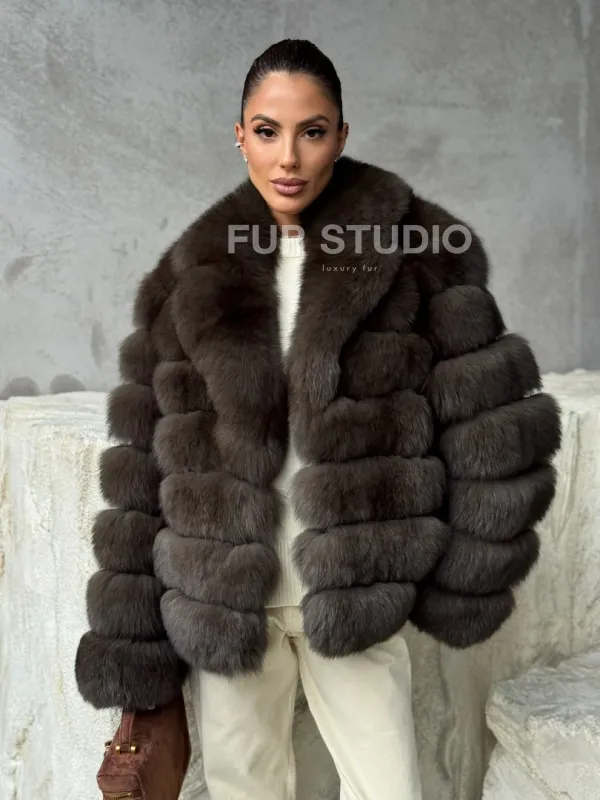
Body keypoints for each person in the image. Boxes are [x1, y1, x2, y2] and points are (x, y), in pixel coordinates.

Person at [75, 39, 561, 800]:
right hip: (229, 598)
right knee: (245, 787)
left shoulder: (415, 252)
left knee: (387, 786)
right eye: (267, 131)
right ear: (239, 135)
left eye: (312, 131)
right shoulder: (190, 274)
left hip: (354, 584)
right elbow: (144, 460)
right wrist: (132, 633)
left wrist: (459, 567)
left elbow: (491, 426)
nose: (289, 157)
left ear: (341, 134)